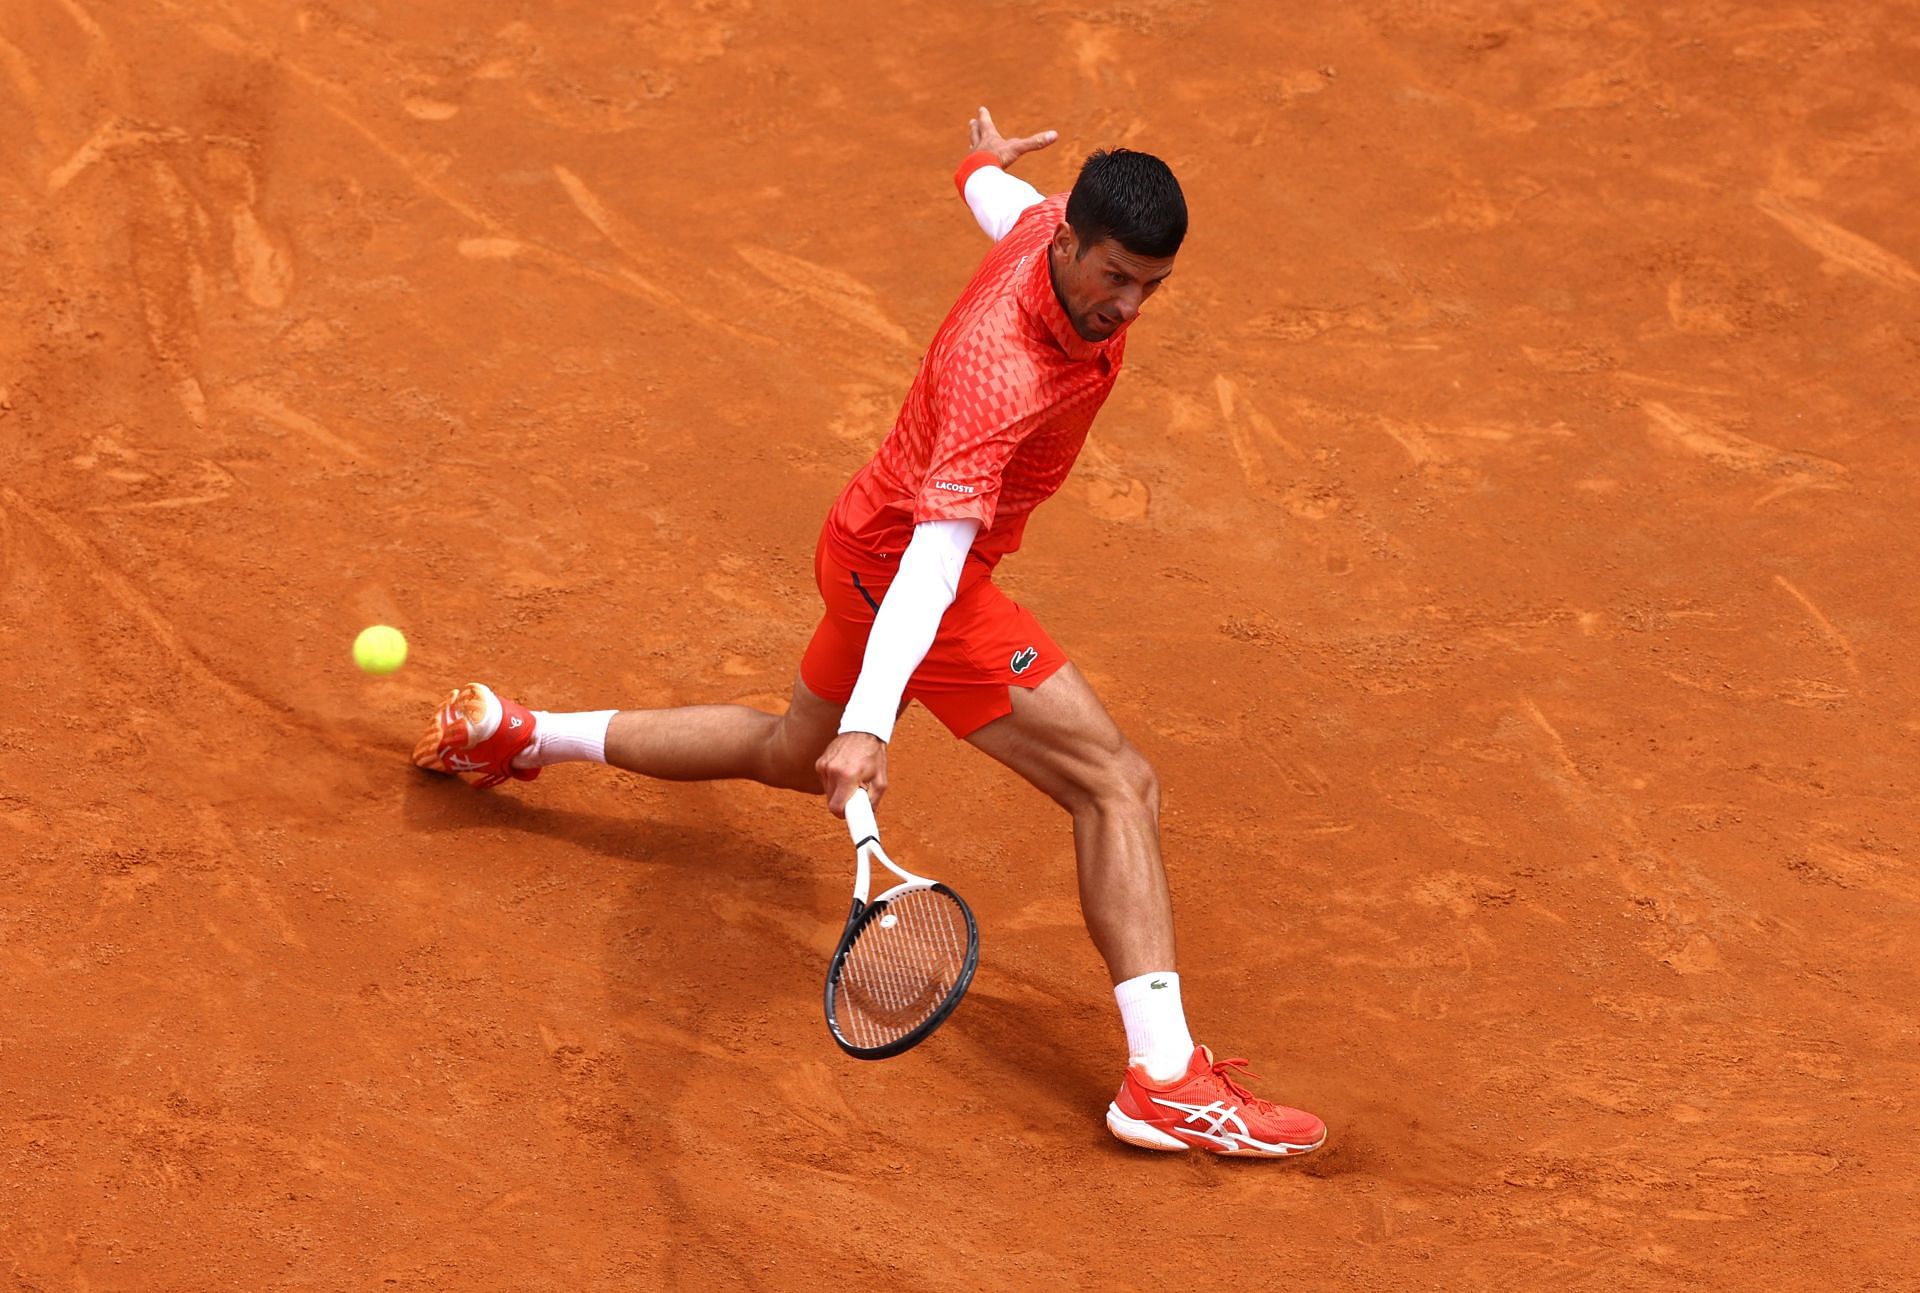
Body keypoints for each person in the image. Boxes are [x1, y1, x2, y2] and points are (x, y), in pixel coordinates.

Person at [415, 107, 1326, 1158]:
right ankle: (1164, 1081)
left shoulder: (1045, 232)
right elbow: (936, 562)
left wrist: (980, 161)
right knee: (1116, 783)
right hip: (911, 577)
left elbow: (999, 201)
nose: (1128, 306)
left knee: (786, 755)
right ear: (1073, 240)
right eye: (1115, 276)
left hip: (860, 541)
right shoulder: (1006, 371)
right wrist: (876, 724)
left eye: (1150, 287)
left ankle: (521, 736)